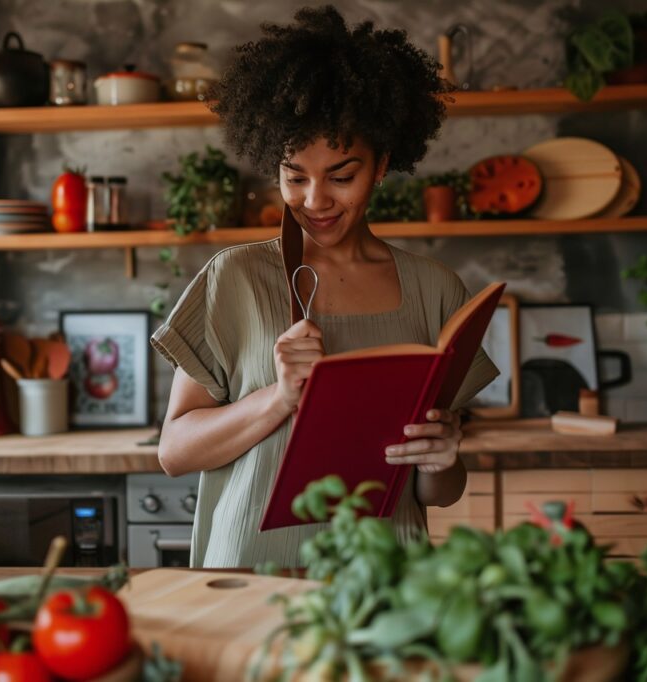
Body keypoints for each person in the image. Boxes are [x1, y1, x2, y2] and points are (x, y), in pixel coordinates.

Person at [150, 5, 499, 568]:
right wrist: (279, 398)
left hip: (387, 581)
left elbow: (439, 491)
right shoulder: (234, 278)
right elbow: (174, 452)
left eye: (342, 176)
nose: (315, 201)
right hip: (252, 578)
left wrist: (442, 458)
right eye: (294, 176)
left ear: (382, 164)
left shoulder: (436, 289)